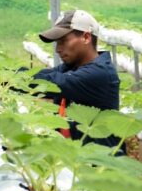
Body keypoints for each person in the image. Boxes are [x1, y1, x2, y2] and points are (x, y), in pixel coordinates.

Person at [34, 9, 121, 150]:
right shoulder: (70, 67)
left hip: (100, 166)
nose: (58, 49)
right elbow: (39, 75)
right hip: (76, 161)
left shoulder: (99, 74)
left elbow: (49, 82)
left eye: (63, 41)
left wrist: (9, 80)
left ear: (86, 37)